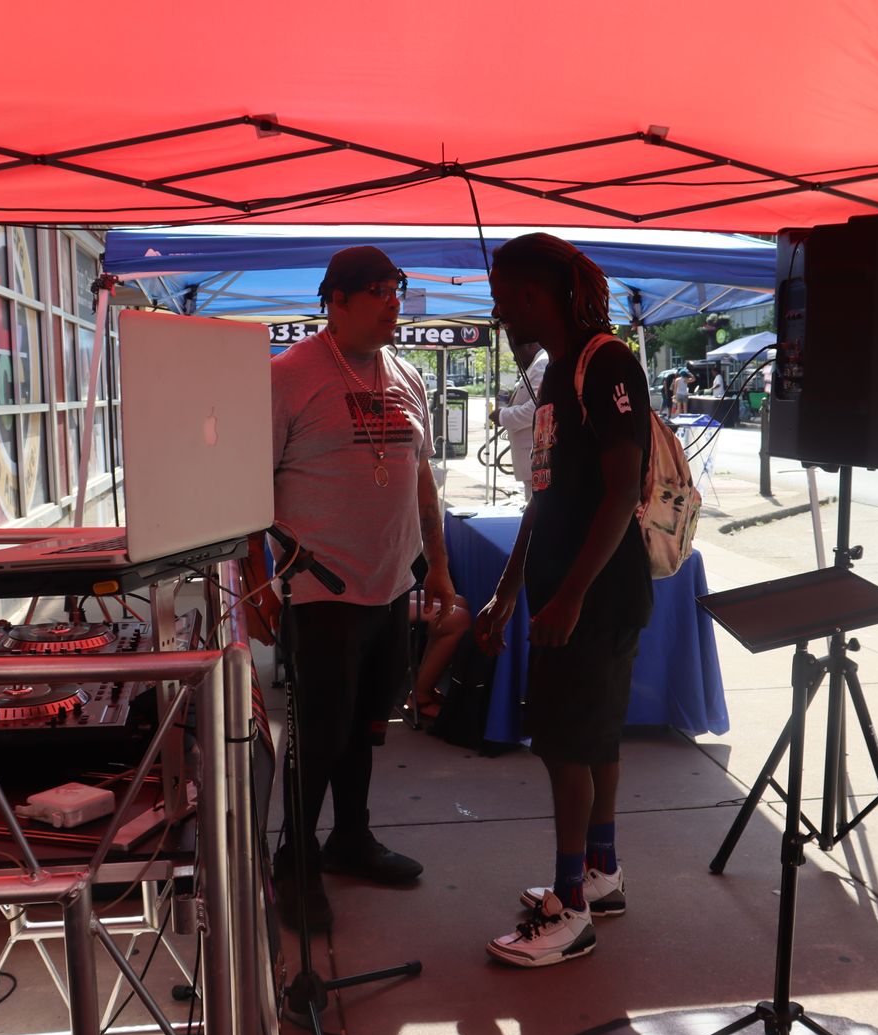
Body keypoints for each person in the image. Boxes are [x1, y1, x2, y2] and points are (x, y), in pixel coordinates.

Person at [476, 233, 652, 968]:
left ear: (529, 294)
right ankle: (600, 872)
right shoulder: (555, 375)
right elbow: (543, 496)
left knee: (567, 745)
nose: (498, 313)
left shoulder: (607, 362)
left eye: (501, 298)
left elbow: (623, 489)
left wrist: (571, 595)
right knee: (593, 736)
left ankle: (570, 907)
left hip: (597, 595)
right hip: (565, 592)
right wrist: (508, 589)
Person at [268, 245, 456, 930]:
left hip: (391, 583)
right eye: (377, 290)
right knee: (319, 735)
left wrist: (437, 565)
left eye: (396, 288)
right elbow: (249, 489)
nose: (392, 302)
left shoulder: (406, 374)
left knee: (366, 726)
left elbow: (421, 475)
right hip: (321, 591)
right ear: (336, 301)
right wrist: (258, 584)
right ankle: (294, 861)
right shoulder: (288, 376)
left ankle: (350, 838)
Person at [495, 342, 549, 501]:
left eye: (516, 351)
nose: (514, 358)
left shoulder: (541, 363)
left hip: (534, 455)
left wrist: (502, 416)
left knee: (536, 504)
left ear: (529, 346)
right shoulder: (536, 364)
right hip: (529, 458)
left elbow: (535, 408)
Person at [408, 593, 471, 720]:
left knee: (457, 601)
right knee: (458, 619)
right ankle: (420, 696)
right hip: (373, 604)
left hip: (386, 594)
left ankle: (423, 687)